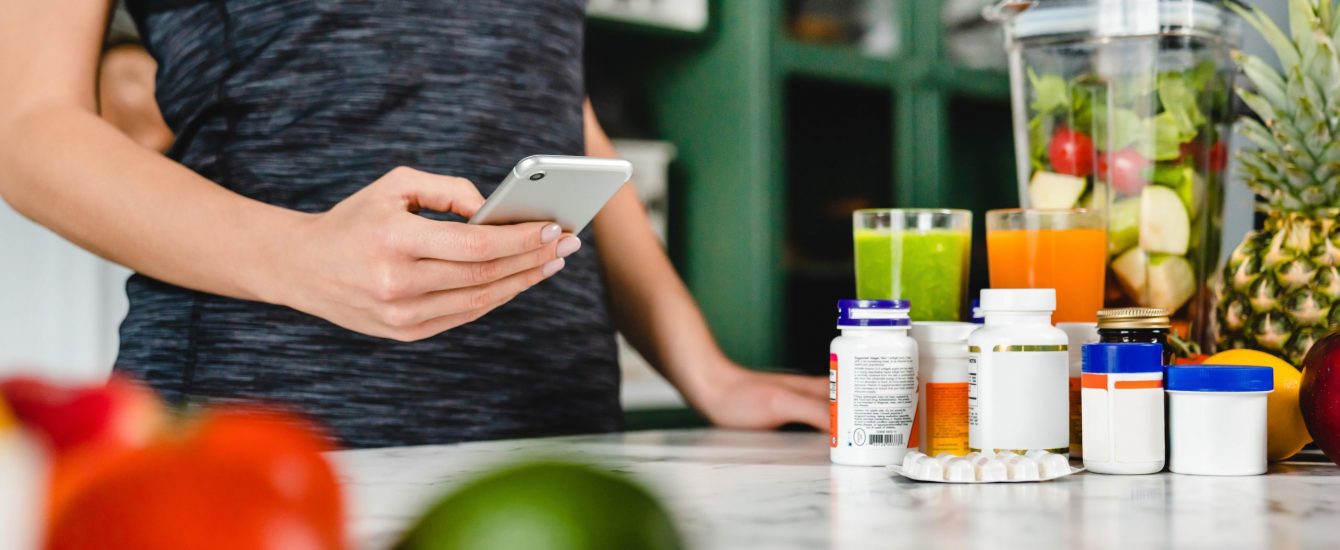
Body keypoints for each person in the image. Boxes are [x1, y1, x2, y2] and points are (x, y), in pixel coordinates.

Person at [0, 1, 827, 448]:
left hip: (554, 413)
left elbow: (546, 96)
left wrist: (704, 368)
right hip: (271, 422)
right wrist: (300, 257)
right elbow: (27, 125)